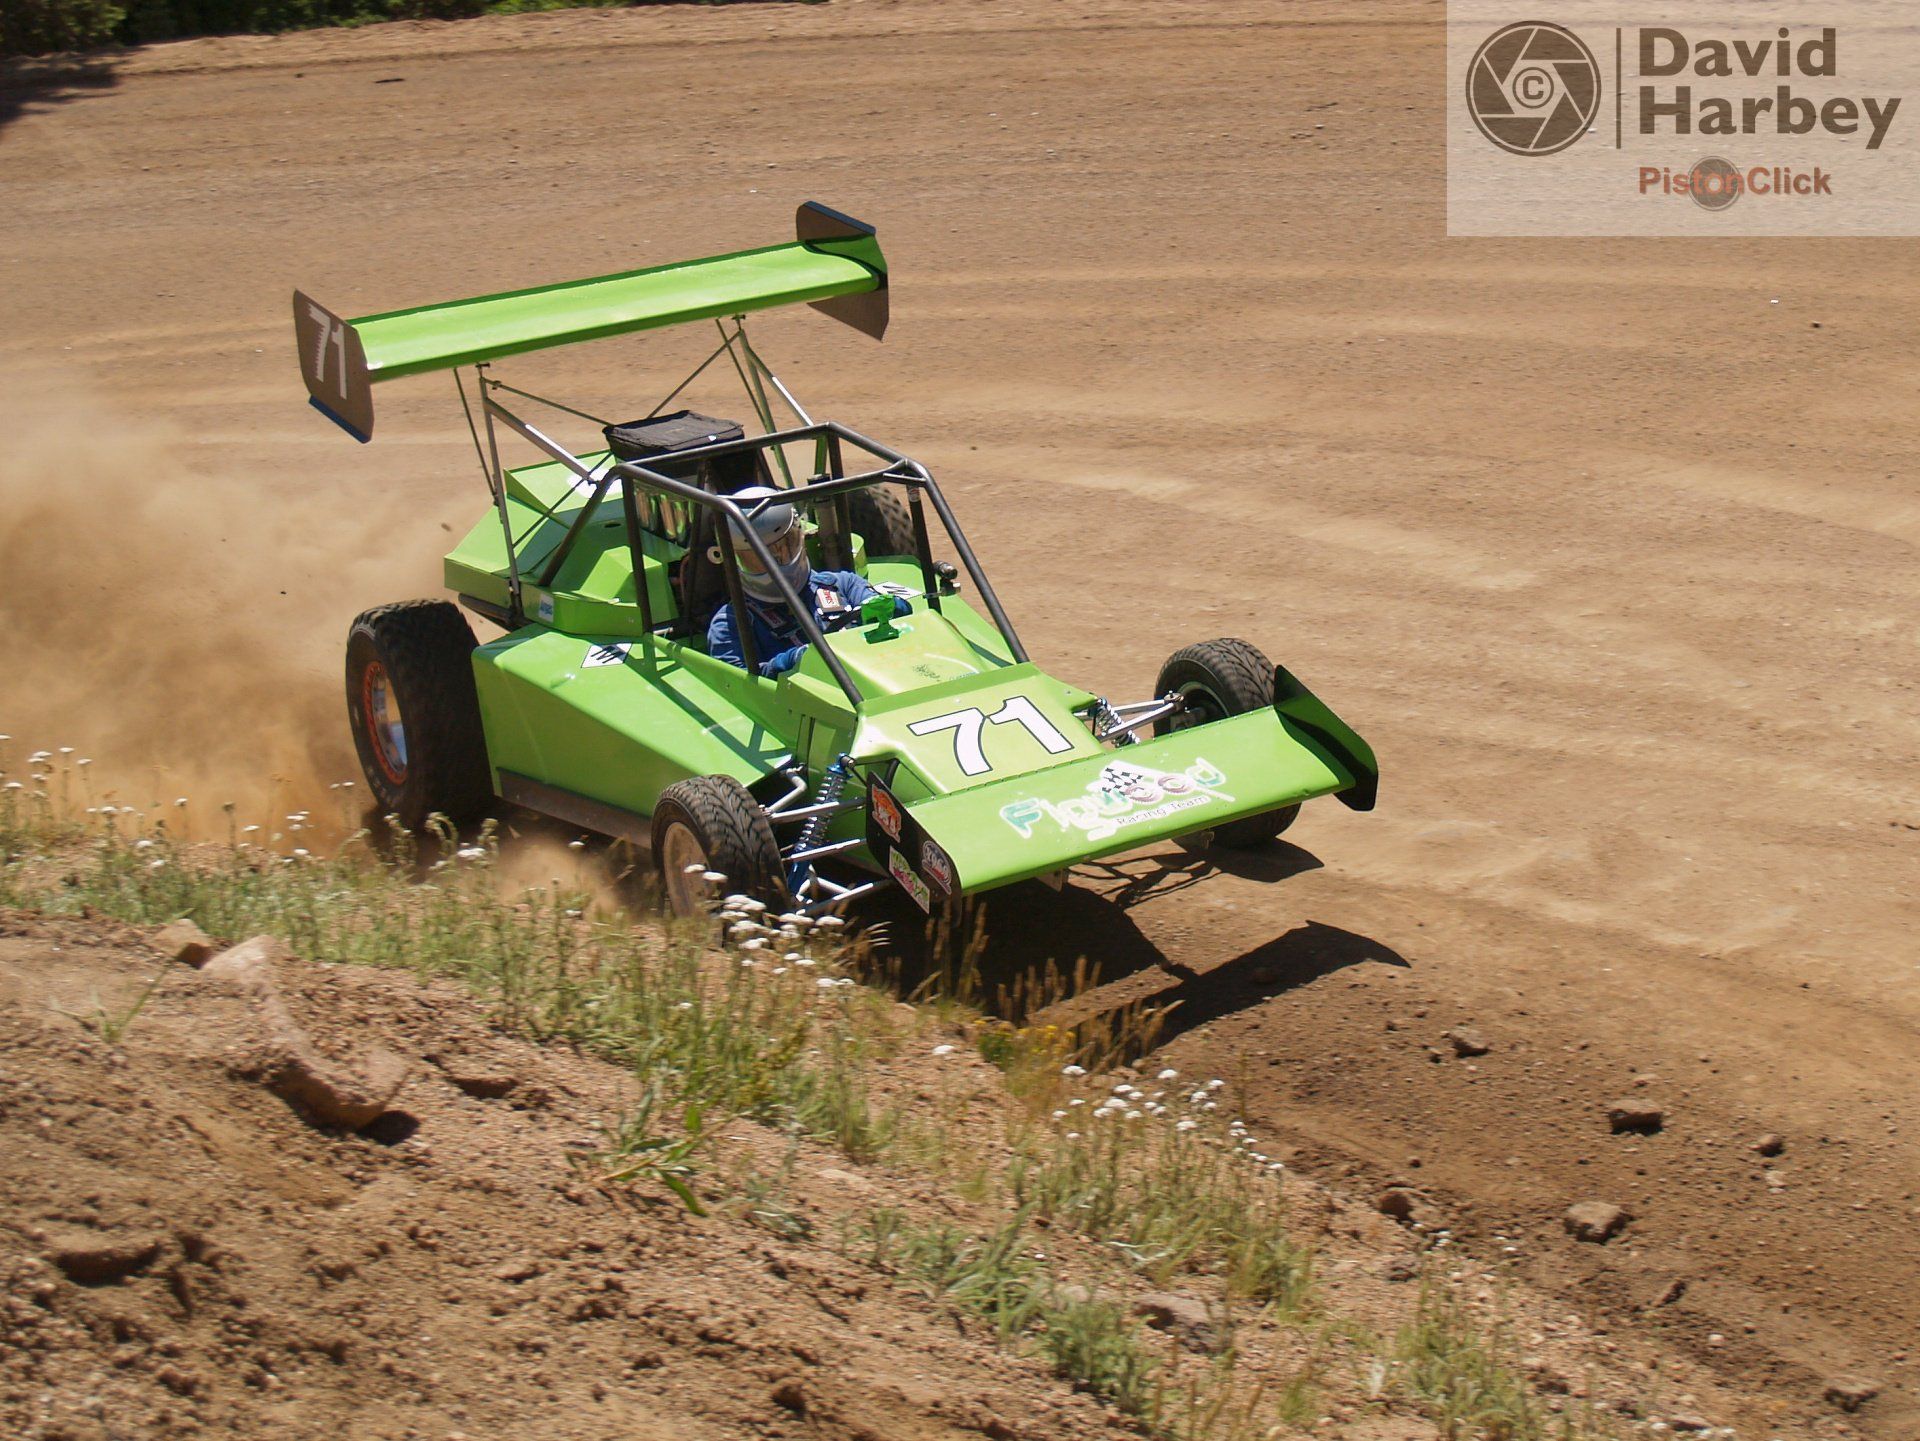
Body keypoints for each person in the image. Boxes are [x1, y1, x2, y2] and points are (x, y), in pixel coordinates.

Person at [706, 487, 909, 678]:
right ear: (733, 560)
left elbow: (899, 612)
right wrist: (794, 660)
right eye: (757, 558)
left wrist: (888, 608)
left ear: (799, 536)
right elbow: (738, 686)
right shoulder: (729, 624)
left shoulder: (842, 584)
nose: (775, 563)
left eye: (783, 548)